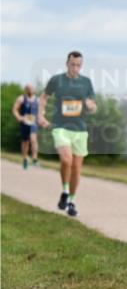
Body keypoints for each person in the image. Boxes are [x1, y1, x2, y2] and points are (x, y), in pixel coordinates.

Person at [38, 51, 97, 218]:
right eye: (72, 64)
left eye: (78, 65)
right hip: (60, 127)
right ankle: (64, 190)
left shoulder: (86, 82)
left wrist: (90, 105)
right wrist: (40, 115)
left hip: (80, 130)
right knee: (66, 159)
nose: (75, 68)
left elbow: (93, 105)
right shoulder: (57, 80)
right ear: (67, 63)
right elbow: (43, 97)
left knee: (77, 168)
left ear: (81, 66)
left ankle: (71, 201)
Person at [11, 84, 40, 169]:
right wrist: (19, 117)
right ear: (25, 90)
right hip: (25, 122)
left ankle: (34, 159)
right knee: (25, 141)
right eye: (28, 88)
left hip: (34, 122)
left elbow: (42, 110)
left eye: (31, 88)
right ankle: (25, 159)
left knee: (33, 139)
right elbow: (14, 109)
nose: (30, 90)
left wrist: (40, 117)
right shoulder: (21, 98)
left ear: (34, 89)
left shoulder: (37, 100)